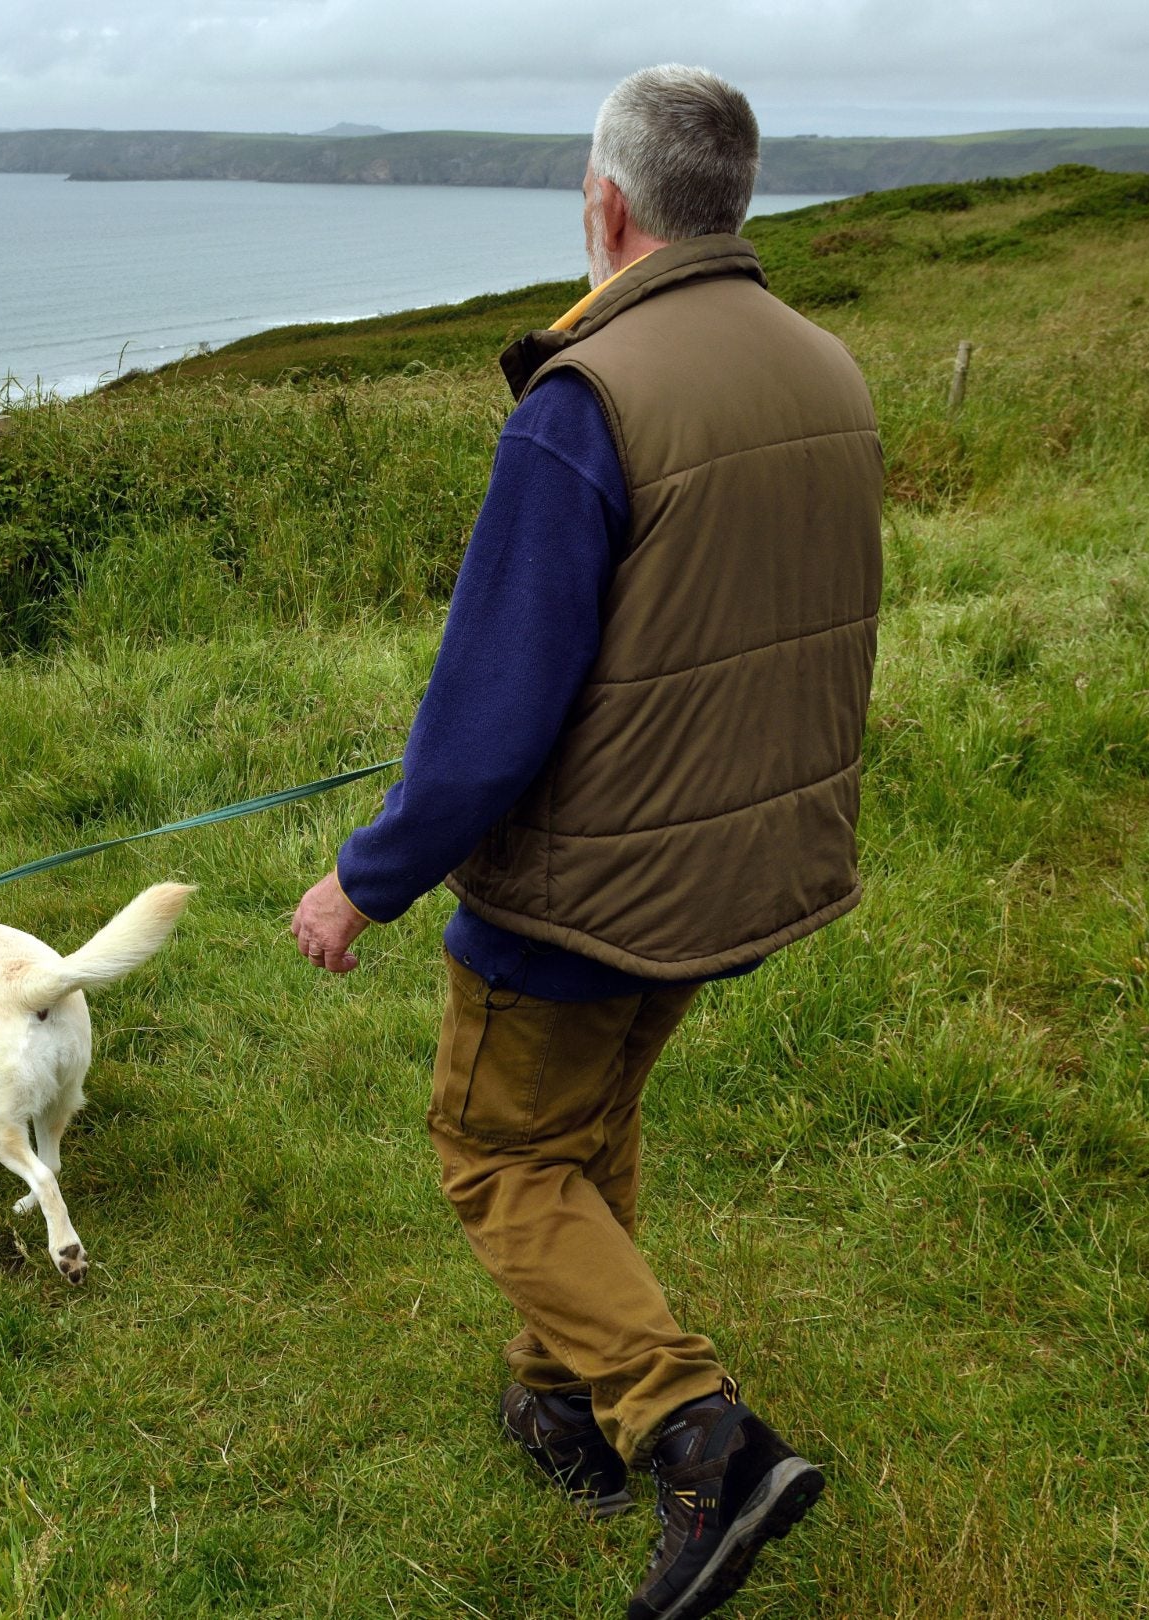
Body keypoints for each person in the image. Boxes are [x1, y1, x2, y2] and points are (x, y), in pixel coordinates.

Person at [288, 63, 883, 1620]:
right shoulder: (829, 368)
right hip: (740, 864)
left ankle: (701, 1438)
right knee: (589, 1122)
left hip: (592, 881)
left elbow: (497, 703)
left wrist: (368, 876)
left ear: (607, 204)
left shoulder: (586, 398)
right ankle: (563, 1405)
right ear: (728, 200)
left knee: (497, 1151)